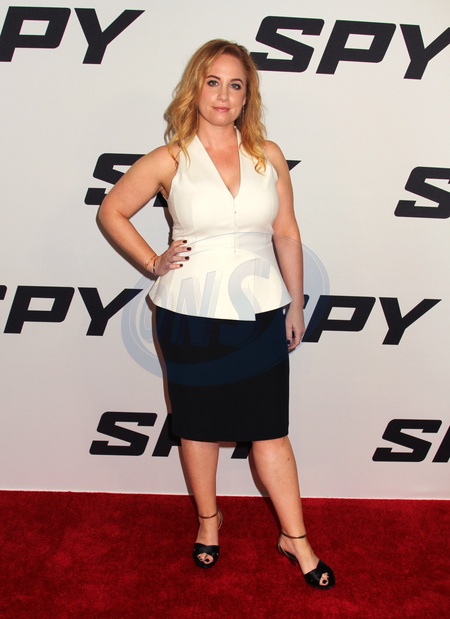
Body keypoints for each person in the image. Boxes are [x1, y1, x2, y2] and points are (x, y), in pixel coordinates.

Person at [98, 39, 334, 590]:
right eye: (213, 82)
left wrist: (297, 302)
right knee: (198, 429)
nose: (223, 95)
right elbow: (112, 210)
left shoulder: (268, 155)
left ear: (247, 96)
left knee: (270, 432)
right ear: (195, 89)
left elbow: (286, 230)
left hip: (260, 313)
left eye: (235, 85)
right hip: (188, 315)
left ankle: (295, 537)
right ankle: (209, 520)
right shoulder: (170, 158)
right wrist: (152, 261)